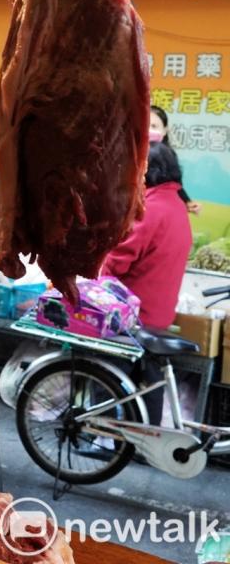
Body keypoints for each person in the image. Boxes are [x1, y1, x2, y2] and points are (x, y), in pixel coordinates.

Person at [103, 142, 193, 424]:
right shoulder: (177, 206)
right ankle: (150, 438)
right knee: (152, 380)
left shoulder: (151, 208)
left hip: (134, 314)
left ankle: (103, 437)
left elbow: (119, 258)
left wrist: (96, 274)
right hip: (159, 314)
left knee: (108, 374)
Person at [150, 104, 200, 214]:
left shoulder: (168, 156)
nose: (149, 130)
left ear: (164, 130)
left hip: (157, 210)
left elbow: (175, 185)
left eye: (154, 126)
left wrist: (188, 202)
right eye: (145, 126)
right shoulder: (129, 154)